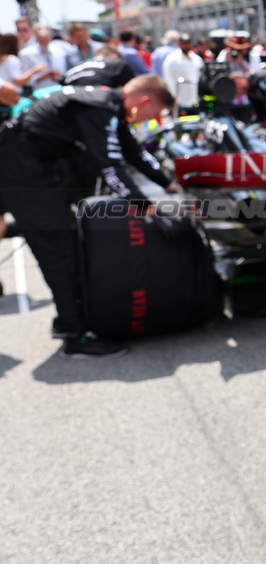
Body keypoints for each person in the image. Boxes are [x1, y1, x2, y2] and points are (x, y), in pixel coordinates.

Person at [0, 74, 176, 358]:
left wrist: (169, 184)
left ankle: (68, 319)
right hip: (21, 170)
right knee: (60, 250)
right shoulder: (99, 107)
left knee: (68, 243)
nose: (147, 120)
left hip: (31, 165)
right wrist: (146, 207)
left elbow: (132, 152)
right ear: (143, 101)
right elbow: (108, 165)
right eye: (151, 114)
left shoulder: (109, 105)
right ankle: (75, 335)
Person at [162, 33, 204, 112]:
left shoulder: (197, 59)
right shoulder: (172, 59)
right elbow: (169, 79)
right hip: (179, 100)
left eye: (188, 43)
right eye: (184, 43)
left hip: (194, 99)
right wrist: (174, 98)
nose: (186, 46)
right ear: (180, 44)